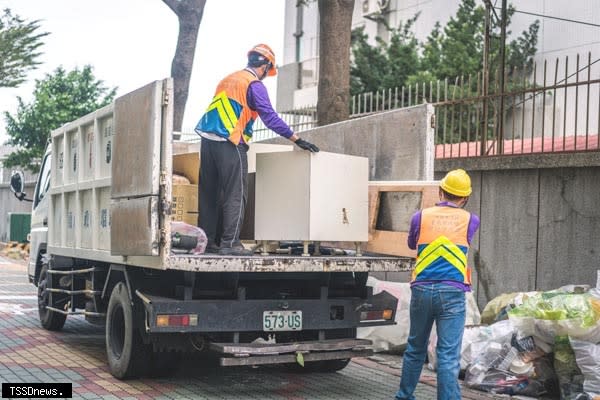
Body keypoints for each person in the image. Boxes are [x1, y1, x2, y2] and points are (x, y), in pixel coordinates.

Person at [194, 43, 319, 256]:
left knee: (209, 194)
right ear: (266, 66)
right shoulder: (253, 84)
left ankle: (208, 242)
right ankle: (230, 243)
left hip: (207, 141)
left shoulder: (229, 79)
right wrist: (297, 139)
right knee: (236, 193)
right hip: (230, 142)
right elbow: (269, 117)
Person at [395, 169, 480, 400]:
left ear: (441, 191)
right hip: (452, 291)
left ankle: (404, 396)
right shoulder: (471, 220)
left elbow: (413, 244)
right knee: (448, 355)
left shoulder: (420, 216)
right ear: (465, 198)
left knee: (415, 349)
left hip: (422, 289)